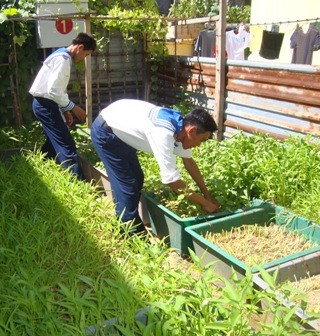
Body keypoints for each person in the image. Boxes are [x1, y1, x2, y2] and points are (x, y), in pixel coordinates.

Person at [91, 99, 220, 235]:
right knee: (127, 184)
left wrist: (207, 194)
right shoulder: (163, 134)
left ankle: (125, 216)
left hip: (122, 129)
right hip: (107, 132)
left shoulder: (181, 129)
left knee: (137, 178)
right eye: (201, 140)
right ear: (192, 131)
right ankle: (129, 232)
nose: (199, 145)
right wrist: (204, 203)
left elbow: (189, 162)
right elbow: (173, 182)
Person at [29, 32, 96, 180]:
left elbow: (54, 90)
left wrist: (65, 109)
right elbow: (53, 91)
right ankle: (77, 183)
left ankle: (42, 167)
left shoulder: (59, 54)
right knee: (66, 144)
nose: (83, 59)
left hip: (45, 104)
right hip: (45, 104)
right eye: (86, 55)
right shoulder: (63, 59)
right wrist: (73, 107)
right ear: (80, 47)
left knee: (53, 141)